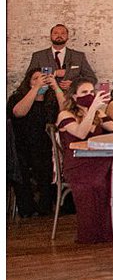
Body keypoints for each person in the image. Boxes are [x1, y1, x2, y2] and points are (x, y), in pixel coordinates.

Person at [55, 77, 113, 244]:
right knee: (97, 182)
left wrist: (102, 113)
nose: (89, 95)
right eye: (84, 92)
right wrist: (93, 108)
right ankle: (91, 233)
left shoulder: (97, 113)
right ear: (74, 97)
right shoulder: (65, 115)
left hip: (98, 159)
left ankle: (109, 231)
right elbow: (80, 133)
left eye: (91, 92)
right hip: (77, 163)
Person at [8, 67, 59, 218]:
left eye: (42, 78)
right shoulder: (17, 98)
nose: (40, 81)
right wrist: (35, 89)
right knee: (22, 167)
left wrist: (55, 87)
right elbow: (19, 112)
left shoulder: (50, 101)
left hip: (45, 146)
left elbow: (65, 110)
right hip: (22, 146)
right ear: (28, 82)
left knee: (45, 166)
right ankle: (27, 208)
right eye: (35, 78)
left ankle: (45, 207)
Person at [26, 23, 96, 90]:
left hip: (71, 99)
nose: (59, 35)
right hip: (45, 99)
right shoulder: (38, 56)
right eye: (55, 33)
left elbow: (92, 78)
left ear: (67, 37)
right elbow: (29, 78)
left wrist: (74, 85)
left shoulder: (78, 56)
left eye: (63, 33)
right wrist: (54, 73)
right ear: (50, 36)